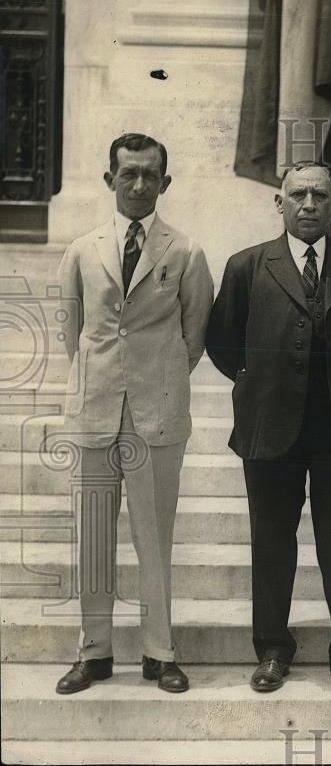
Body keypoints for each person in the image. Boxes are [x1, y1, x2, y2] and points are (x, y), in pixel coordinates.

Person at [205, 162, 331, 692]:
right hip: (270, 425)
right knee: (270, 541)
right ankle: (271, 650)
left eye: (319, 195)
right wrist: (261, 382)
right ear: (279, 202)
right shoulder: (246, 266)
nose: (308, 204)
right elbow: (223, 343)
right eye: (297, 194)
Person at [55, 133, 214, 694]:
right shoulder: (81, 249)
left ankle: (159, 651)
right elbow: (73, 333)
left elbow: (193, 338)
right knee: (93, 536)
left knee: (155, 535)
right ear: (109, 180)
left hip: (157, 416)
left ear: (165, 183)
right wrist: (104, 383)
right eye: (129, 174)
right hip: (96, 410)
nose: (139, 184)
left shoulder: (186, 252)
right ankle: (94, 652)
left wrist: (155, 381)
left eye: (150, 175)